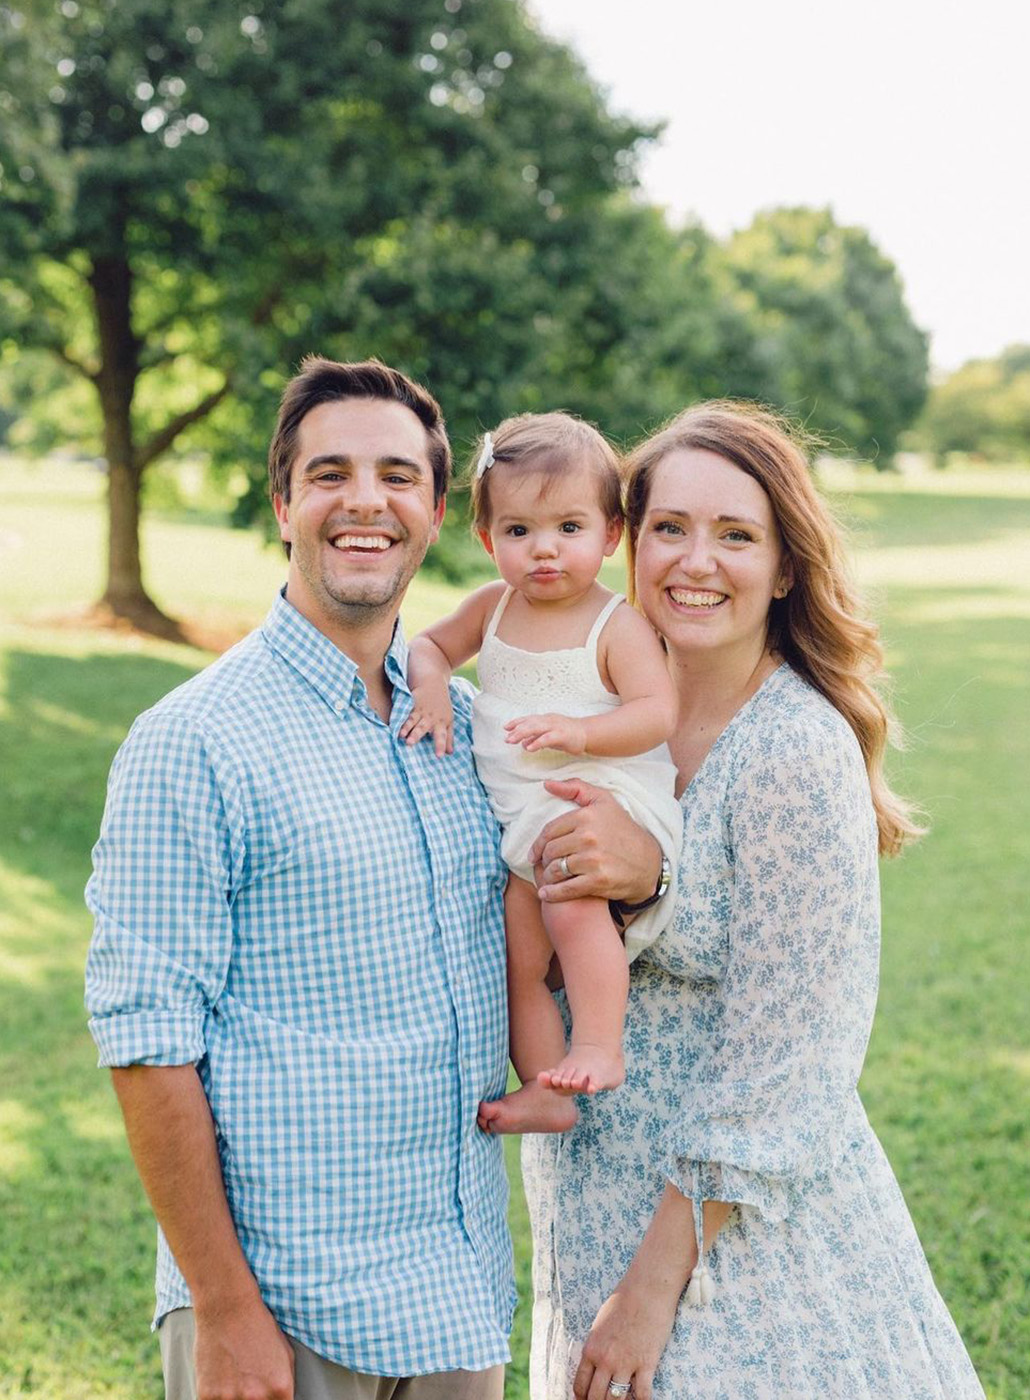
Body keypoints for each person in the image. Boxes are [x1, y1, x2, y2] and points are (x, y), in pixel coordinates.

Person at [84, 358, 665, 1400]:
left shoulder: (465, 728)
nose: (365, 499)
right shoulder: (194, 741)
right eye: (330, 472)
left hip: (456, 1294)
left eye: (397, 474)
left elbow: (568, 866)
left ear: (437, 513)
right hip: (286, 1305)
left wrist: (644, 856)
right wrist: (222, 1308)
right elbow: (146, 1040)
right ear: (283, 503)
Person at [521, 402, 985, 1399]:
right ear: (628, 540)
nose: (696, 560)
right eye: (669, 528)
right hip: (590, 1214)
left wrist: (648, 1293)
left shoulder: (791, 747)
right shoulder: (596, 714)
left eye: (736, 534)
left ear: (782, 567)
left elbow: (792, 1062)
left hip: (737, 1258)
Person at [403, 414, 682, 1134]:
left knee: (569, 905)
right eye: (520, 532)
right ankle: (544, 1088)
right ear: (488, 538)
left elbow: (657, 711)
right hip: (527, 820)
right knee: (517, 956)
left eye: (569, 527)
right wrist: (432, 683)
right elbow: (429, 645)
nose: (544, 550)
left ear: (611, 533)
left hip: (600, 791)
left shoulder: (614, 623)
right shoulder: (494, 608)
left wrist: (581, 731)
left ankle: (598, 1044)